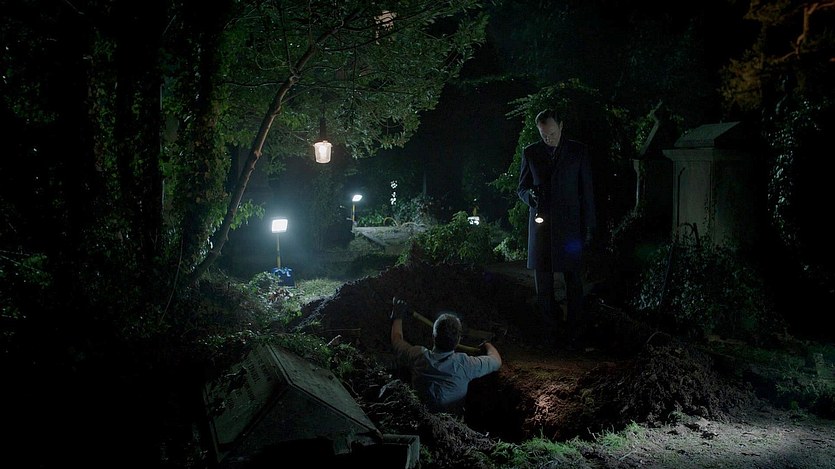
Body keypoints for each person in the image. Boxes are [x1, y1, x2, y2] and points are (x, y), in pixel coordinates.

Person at [517, 108, 596, 330]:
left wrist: (590, 226)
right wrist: (530, 197)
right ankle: (549, 326)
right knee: (543, 280)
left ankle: (574, 326)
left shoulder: (578, 151)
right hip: (541, 225)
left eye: (552, 133)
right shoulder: (531, 152)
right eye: (544, 135)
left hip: (570, 225)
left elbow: (587, 191)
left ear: (561, 126)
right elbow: (521, 188)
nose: (548, 138)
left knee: (573, 278)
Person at [389, 297, 502, 415]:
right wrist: (487, 344)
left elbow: (396, 341)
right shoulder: (466, 364)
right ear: (458, 341)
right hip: (452, 422)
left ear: (433, 337)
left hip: (418, 416)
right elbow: (497, 361)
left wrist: (397, 316)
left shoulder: (418, 356)